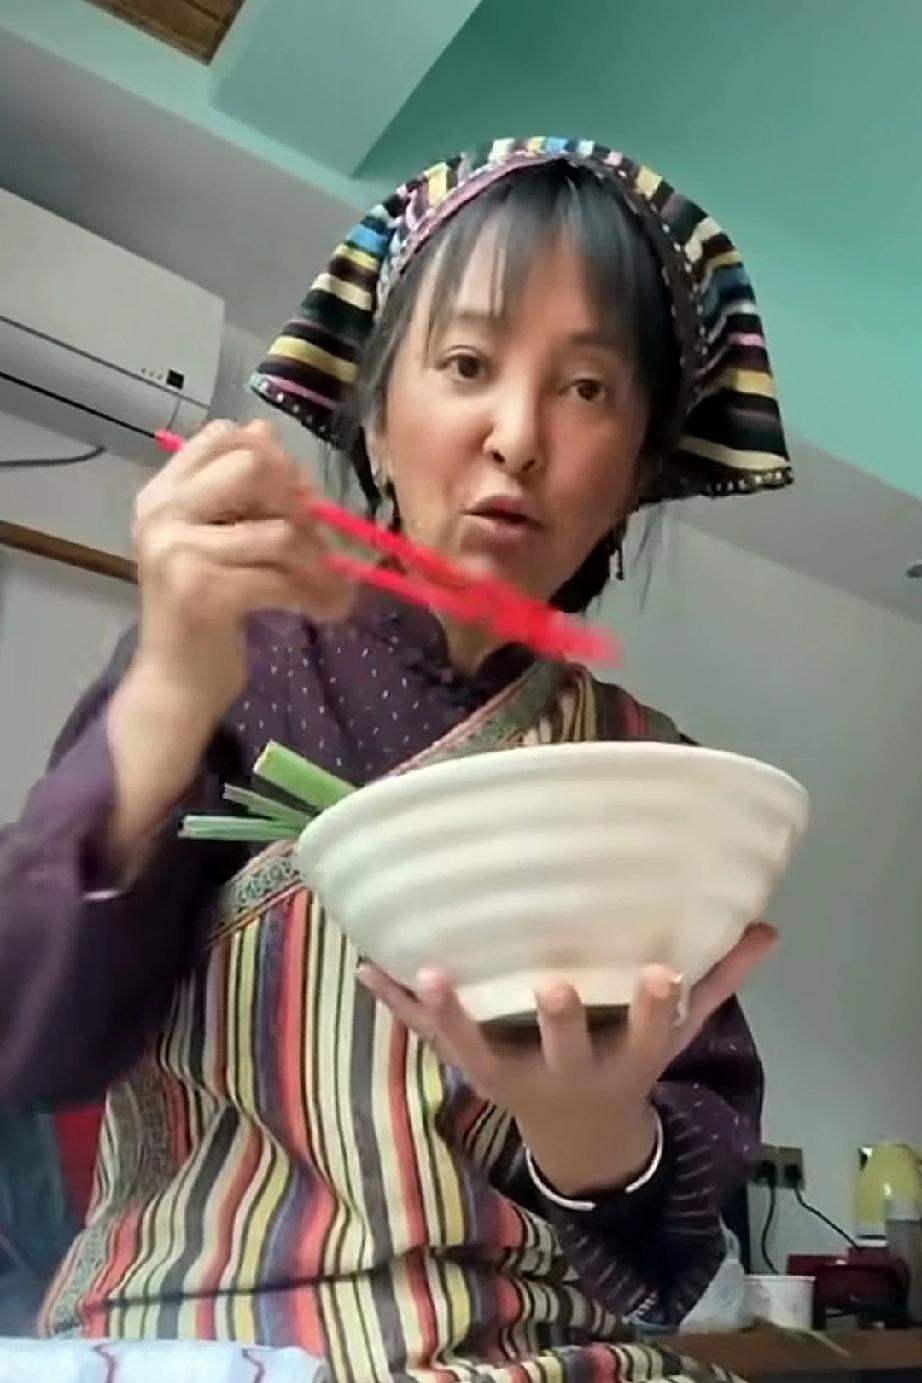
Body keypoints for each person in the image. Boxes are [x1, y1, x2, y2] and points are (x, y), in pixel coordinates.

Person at [0, 136, 790, 1379]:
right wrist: (163, 699)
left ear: (639, 467)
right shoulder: (228, 662)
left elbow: (674, 1263)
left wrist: (589, 1131)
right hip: (210, 1336)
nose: (516, 436)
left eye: (587, 388)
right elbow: (29, 1043)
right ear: (372, 411)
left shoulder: (654, 777)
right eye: (467, 364)